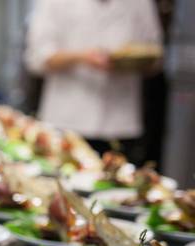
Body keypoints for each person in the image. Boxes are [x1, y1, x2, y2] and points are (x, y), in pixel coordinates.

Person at [25, 0, 163, 164]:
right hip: (66, 119)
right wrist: (82, 57)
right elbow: (37, 58)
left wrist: (128, 60)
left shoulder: (141, 3)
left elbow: (156, 56)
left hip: (121, 123)